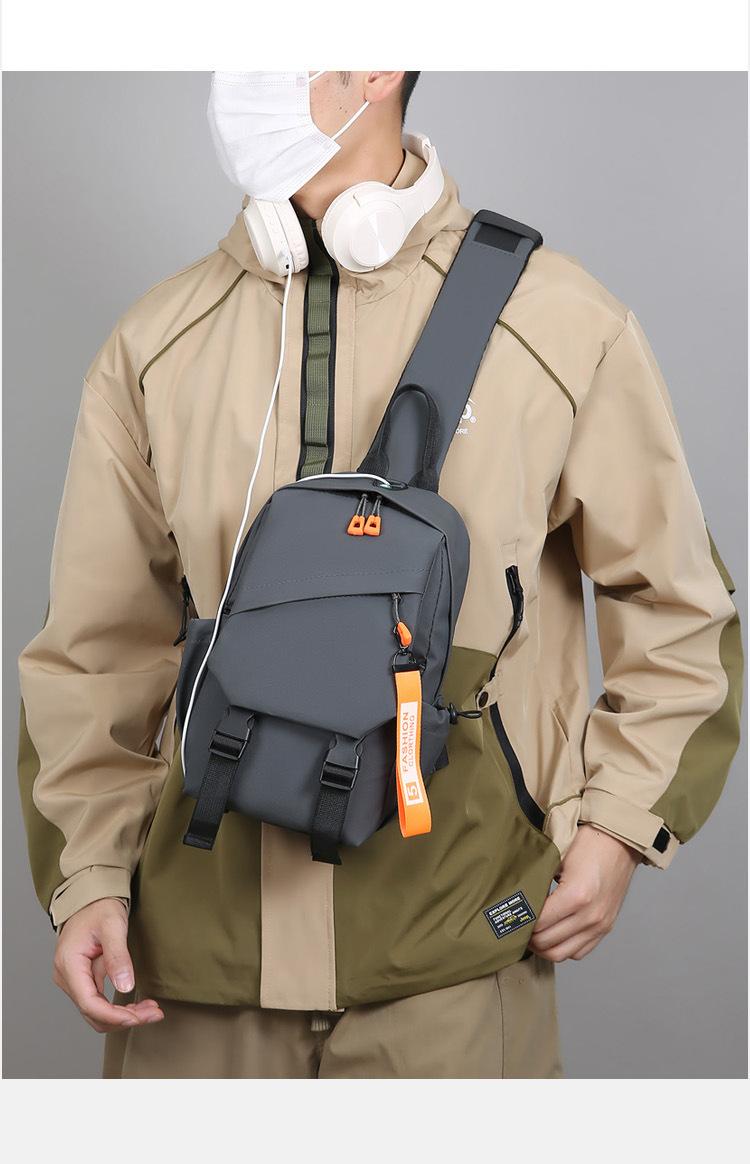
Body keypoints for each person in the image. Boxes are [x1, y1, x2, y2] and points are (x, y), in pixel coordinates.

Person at [18, 70, 742, 1080]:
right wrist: (90, 874)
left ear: (380, 65)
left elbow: (680, 608)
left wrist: (618, 826)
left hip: (453, 960)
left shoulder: (558, 324)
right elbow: (95, 652)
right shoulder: (157, 344)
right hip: (194, 970)